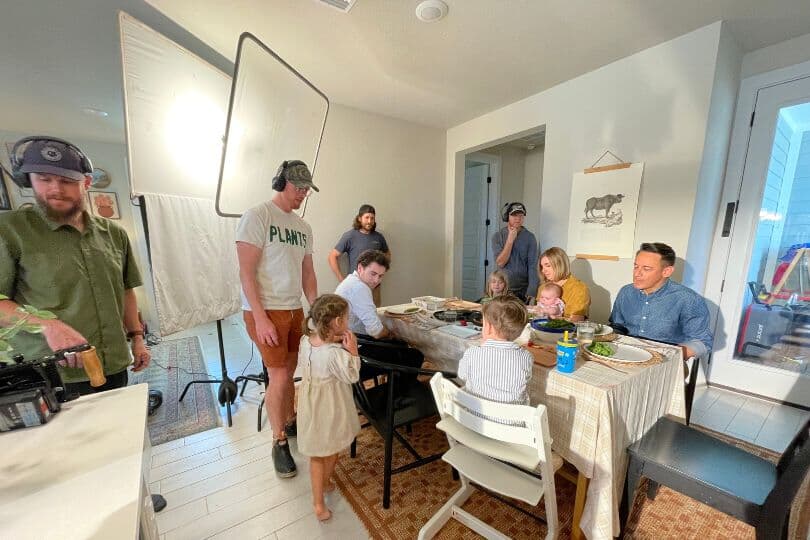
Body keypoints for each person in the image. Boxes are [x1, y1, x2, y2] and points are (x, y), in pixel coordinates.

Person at [0, 135, 164, 511]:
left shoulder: (114, 235)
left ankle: (129, 500)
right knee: (69, 467)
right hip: (52, 375)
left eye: (67, 180)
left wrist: (137, 338)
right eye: (44, 178)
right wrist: (44, 325)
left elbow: (125, 290)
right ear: (30, 182)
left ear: (86, 183)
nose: (55, 188)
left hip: (110, 362)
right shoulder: (10, 231)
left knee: (120, 441)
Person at [236, 159, 318, 478]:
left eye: (307, 189)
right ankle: (278, 440)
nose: (304, 194)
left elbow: (307, 273)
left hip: (293, 309)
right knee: (279, 375)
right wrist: (260, 318)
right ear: (283, 182)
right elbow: (246, 273)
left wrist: (316, 308)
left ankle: (290, 418)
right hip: (265, 310)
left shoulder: (303, 228)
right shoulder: (257, 216)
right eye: (300, 188)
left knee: (291, 369)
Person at [297, 294, 361, 522]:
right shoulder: (334, 353)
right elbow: (352, 375)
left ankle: (321, 492)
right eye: (346, 318)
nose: (348, 322)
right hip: (330, 407)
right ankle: (320, 498)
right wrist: (352, 350)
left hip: (310, 405)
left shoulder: (306, 341)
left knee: (320, 452)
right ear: (336, 323)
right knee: (329, 450)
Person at [610, 242, 713, 360]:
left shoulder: (688, 299)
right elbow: (617, 325)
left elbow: (703, 342)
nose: (637, 273)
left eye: (646, 268)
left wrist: (670, 356)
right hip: (626, 355)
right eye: (636, 266)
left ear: (667, 272)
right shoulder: (626, 292)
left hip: (665, 360)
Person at [334, 249, 423, 381]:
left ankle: (394, 390)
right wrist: (390, 334)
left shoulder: (350, 281)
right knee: (414, 354)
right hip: (353, 352)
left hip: (345, 346)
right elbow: (375, 331)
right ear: (360, 268)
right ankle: (400, 395)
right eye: (373, 274)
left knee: (399, 346)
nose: (376, 280)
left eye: (381, 276)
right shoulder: (359, 288)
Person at [458, 294, 533, 406]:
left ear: (488, 327)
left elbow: (462, 375)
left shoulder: (472, 353)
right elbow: (527, 379)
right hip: (510, 421)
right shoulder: (526, 357)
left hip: (475, 418)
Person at [328, 204, 390, 306]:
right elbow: (332, 257)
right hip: (355, 286)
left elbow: (387, 254)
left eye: (372, 218)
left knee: (375, 313)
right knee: (354, 316)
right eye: (367, 217)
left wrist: (380, 275)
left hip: (374, 287)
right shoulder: (350, 236)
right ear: (359, 218)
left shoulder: (379, 237)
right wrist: (342, 280)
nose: (369, 221)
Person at [492, 202, 538, 301]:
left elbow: (533, 265)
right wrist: (510, 240)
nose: (518, 219)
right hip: (502, 288)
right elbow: (500, 263)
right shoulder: (498, 236)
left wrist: (532, 290)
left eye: (521, 216)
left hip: (523, 290)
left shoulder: (530, 237)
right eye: (514, 215)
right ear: (507, 216)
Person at [536, 247, 591, 321]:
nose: (543, 270)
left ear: (560, 264)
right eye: (542, 266)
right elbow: (537, 311)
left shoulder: (579, 288)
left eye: (548, 265)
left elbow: (578, 321)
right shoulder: (543, 287)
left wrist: (554, 318)